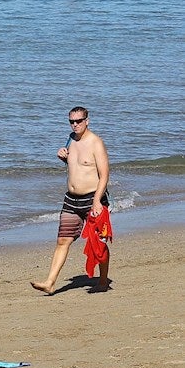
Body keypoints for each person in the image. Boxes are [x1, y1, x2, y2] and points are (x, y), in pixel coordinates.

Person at [32, 107, 111, 295]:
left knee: (98, 243)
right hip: (71, 200)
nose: (75, 125)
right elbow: (77, 166)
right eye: (71, 121)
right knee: (62, 240)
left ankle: (102, 280)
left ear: (87, 121)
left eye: (79, 121)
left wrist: (97, 201)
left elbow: (104, 175)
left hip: (93, 198)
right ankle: (50, 283)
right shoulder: (71, 139)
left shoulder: (96, 143)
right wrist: (63, 158)